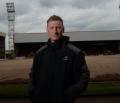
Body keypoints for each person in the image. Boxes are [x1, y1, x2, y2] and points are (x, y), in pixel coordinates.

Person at [28, 15, 90, 103]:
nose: (55, 31)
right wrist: (32, 91)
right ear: (47, 30)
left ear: (63, 29)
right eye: (52, 28)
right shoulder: (39, 53)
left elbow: (84, 77)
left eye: (58, 28)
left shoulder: (75, 53)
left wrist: (69, 94)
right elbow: (32, 75)